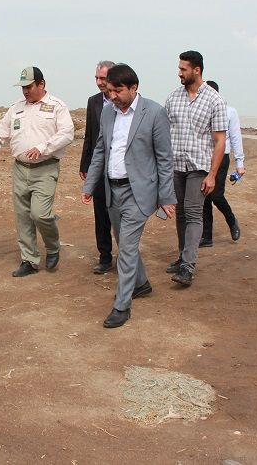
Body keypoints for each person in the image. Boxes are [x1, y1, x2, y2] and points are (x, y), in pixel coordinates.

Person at [82, 64, 176, 328]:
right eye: (110, 91)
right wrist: (89, 185)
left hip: (139, 192)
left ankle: (122, 306)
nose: (112, 96)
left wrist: (166, 197)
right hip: (112, 190)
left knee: (127, 248)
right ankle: (141, 283)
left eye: (118, 91)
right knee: (123, 241)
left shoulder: (154, 113)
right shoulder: (108, 112)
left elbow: (164, 159)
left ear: (134, 87)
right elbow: (100, 150)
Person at [0, 67, 74, 277]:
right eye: (23, 87)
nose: (25, 91)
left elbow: (67, 133)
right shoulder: (16, 108)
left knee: (40, 214)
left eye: (29, 86)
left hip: (45, 168)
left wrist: (43, 147)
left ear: (41, 84)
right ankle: (29, 260)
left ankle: (53, 247)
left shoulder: (57, 106)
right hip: (20, 169)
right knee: (22, 216)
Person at [164, 51, 227, 286]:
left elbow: (220, 141)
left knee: (192, 213)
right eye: (179, 68)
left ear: (196, 70)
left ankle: (188, 267)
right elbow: (164, 132)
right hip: (176, 165)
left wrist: (212, 175)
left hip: (199, 167)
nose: (179, 73)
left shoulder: (214, 100)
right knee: (180, 213)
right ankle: (183, 258)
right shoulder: (173, 98)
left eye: (183, 69)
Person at [80, 60, 116, 274]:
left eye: (103, 78)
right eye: (97, 78)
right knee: (101, 214)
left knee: (120, 215)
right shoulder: (93, 101)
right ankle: (105, 257)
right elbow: (89, 135)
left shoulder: (125, 101)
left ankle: (127, 256)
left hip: (121, 168)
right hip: (99, 167)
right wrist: (85, 164)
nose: (99, 82)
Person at [200, 80, 245, 247]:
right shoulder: (199, 111)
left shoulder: (229, 112)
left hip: (221, 157)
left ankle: (232, 221)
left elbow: (235, 137)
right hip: (203, 157)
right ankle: (207, 237)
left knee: (216, 195)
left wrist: (240, 163)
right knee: (204, 196)